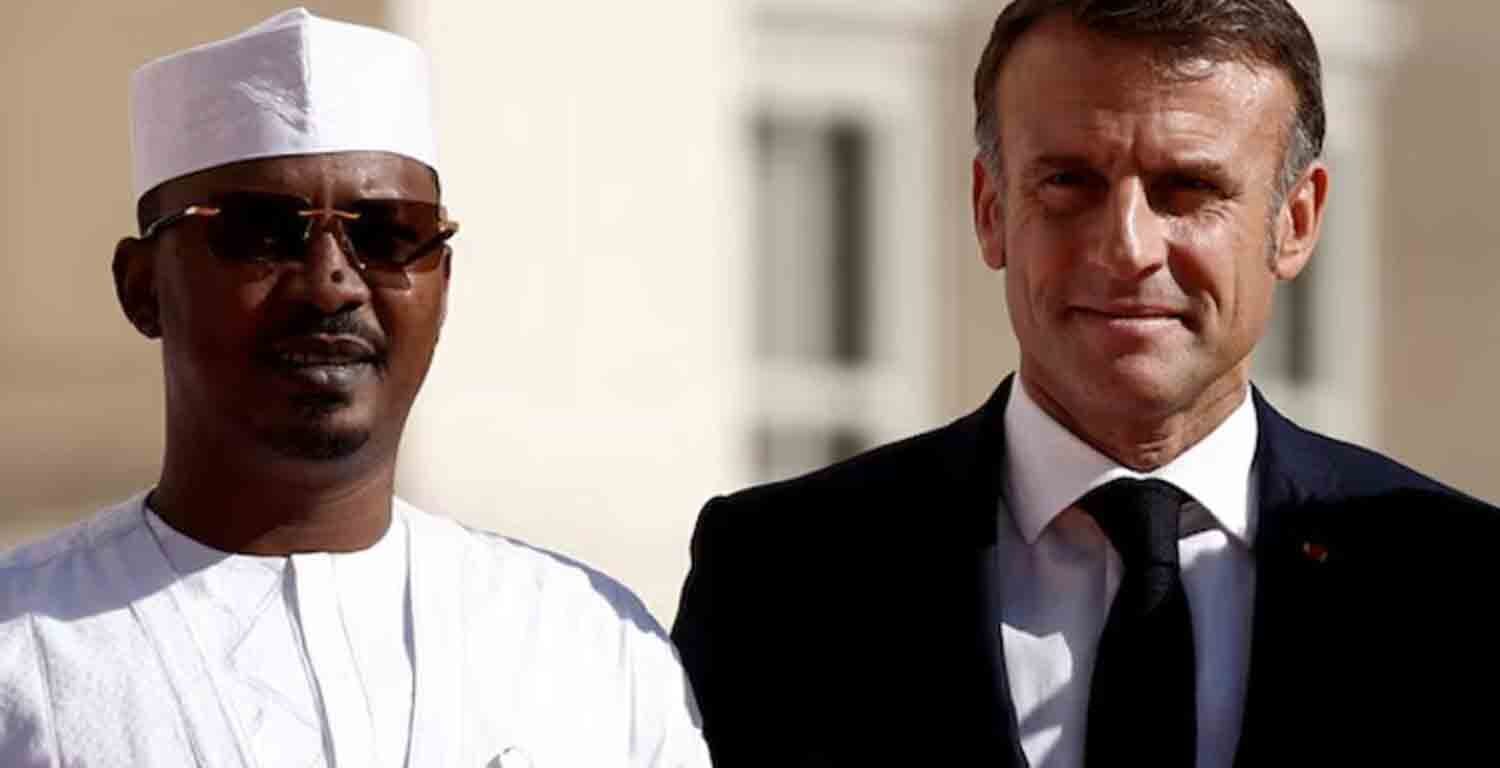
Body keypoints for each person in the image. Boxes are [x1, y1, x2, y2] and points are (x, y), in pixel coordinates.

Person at [671, 1, 1500, 766]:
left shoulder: (1459, 589)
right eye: (1070, 183)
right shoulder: (782, 579)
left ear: (1296, 222)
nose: (1126, 247)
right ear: (991, 208)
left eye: (1189, 190)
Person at [0, 9, 708, 767]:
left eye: (389, 233)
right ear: (143, 288)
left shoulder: (588, 645)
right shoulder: (21, 643)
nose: (332, 282)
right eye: (264, 231)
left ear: (443, 283)